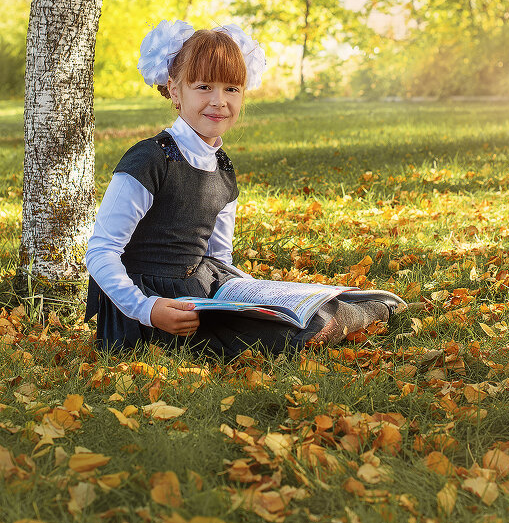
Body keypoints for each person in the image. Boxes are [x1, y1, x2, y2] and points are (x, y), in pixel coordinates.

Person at [85, 20, 404, 357]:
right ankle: (350, 315)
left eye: (231, 89)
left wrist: (253, 293)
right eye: (204, 86)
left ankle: (346, 306)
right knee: (294, 335)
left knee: (301, 311)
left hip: (201, 288)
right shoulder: (150, 159)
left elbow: (219, 256)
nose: (219, 101)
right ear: (175, 91)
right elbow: (101, 251)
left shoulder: (221, 167)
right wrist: (147, 309)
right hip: (154, 307)